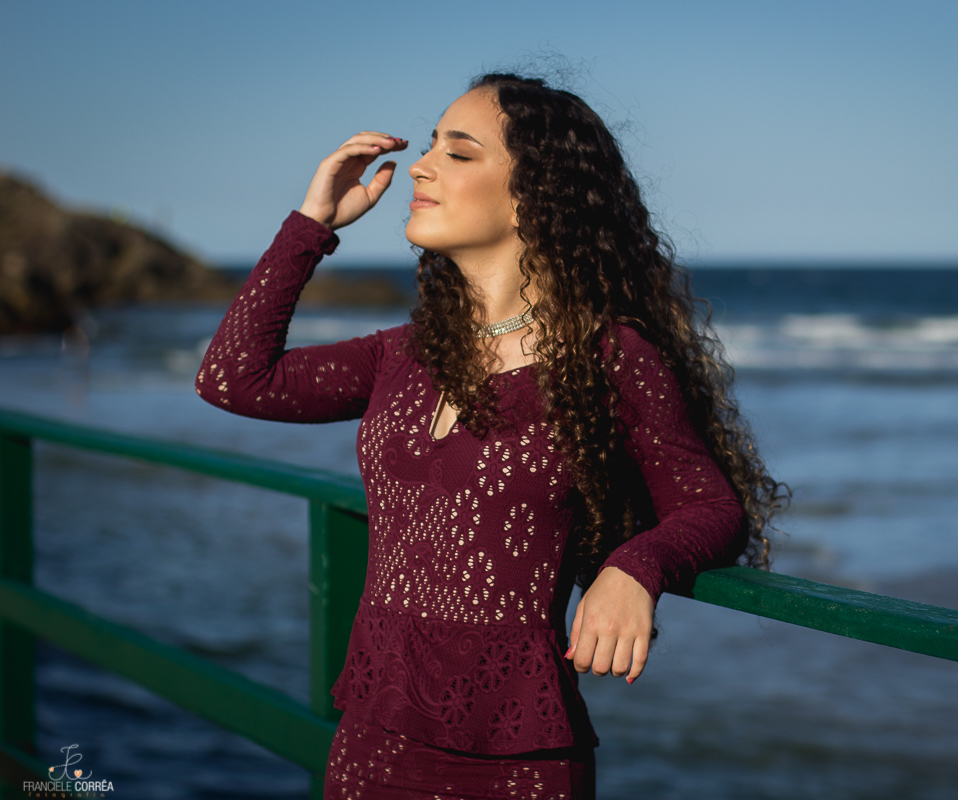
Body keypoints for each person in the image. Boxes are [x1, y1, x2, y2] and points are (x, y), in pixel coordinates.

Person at [196, 72, 783, 800]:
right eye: (429, 145)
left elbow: (711, 507)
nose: (420, 166)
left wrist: (636, 567)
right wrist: (312, 224)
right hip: (370, 741)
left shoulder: (610, 359)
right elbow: (233, 378)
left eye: (458, 152)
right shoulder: (401, 353)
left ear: (533, 194)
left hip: (516, 760)